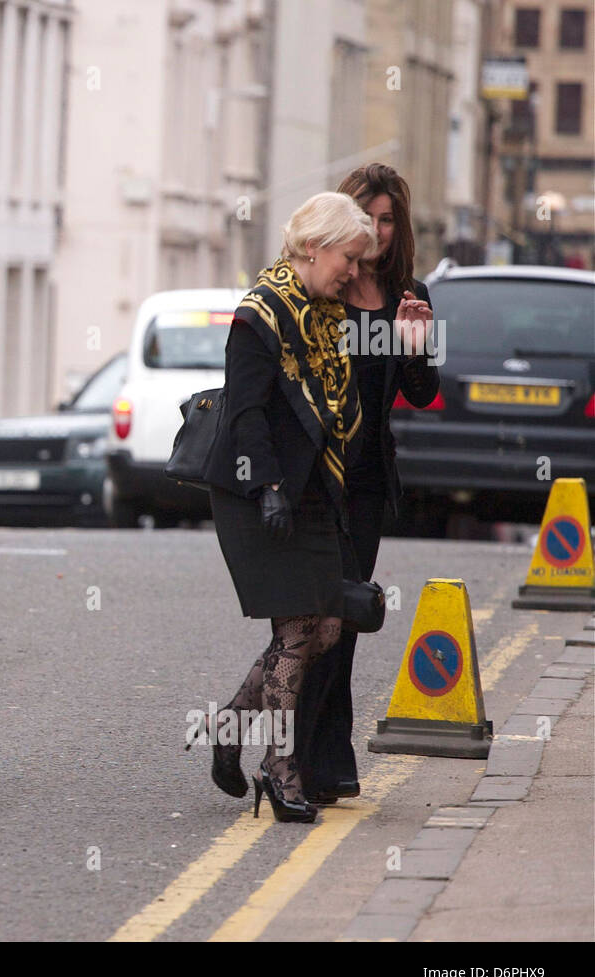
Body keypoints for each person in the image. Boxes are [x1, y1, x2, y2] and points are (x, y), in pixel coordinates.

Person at [201, 192, 375, 823]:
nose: (353, 272)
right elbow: (245, 411)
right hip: (258, 491)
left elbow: (334, 415)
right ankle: (279, 769)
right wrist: (268, 487)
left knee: (327, 627)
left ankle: (227, 726)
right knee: (299, 629)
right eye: (349, 258)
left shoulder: (326, 317)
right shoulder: (258, 316)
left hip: (310, 493)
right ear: (313, 247)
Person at [295, 165, 437, 804]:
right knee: (310, 621)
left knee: (349, 620)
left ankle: (328, 758)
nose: (377, 232)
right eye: (367, 218)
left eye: (387, 220)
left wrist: (414, 345)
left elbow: (421, 392)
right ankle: (299, 757)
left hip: (368, 483)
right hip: (315, 480)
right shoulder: (323, 288)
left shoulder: (410, 293)